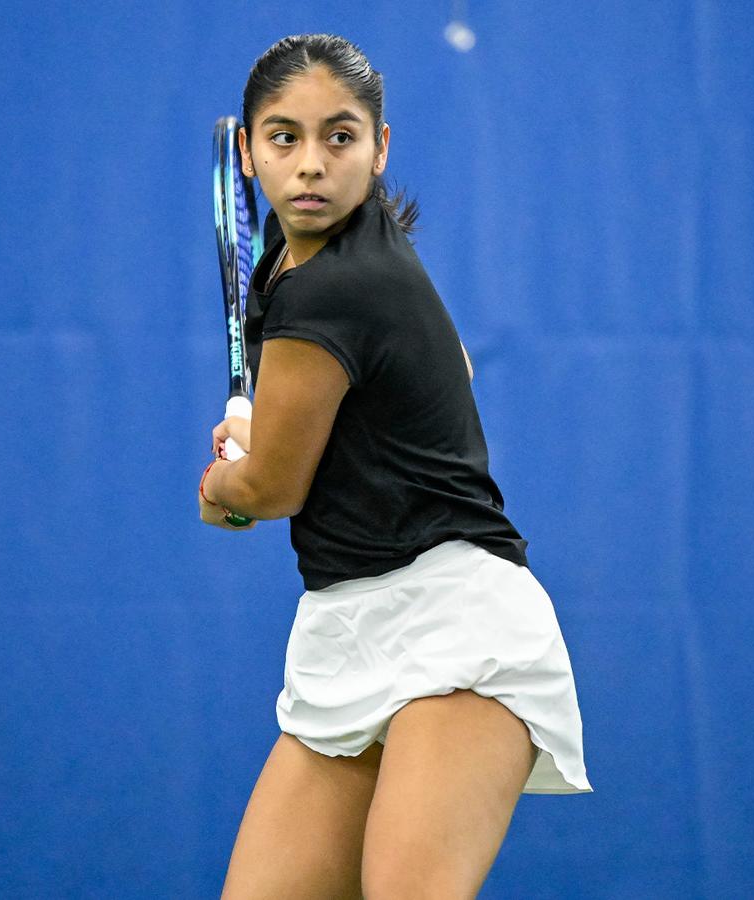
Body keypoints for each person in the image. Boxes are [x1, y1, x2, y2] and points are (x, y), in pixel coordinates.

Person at [196, 33, 591, 899]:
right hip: (346, 627)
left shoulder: (328, 286)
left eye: (339, 137)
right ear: (251, 153)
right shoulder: (329, 255)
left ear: (380, 146)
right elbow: (452, 364)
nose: (310, 165)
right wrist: (284, 420)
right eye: (284, 137)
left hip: (458, 626)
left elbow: (266, 493)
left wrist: (224, 481)